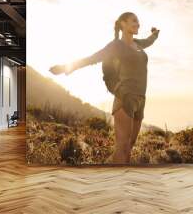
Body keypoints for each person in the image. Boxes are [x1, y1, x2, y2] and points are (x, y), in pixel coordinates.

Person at [49, 12, 159, 164]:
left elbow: (149, 41)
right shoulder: (116, 46)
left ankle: (118, 177)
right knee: (122, 148)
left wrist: (155, 34)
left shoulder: (138, 44)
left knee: (129, 147)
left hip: (141, 99)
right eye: (134, 21)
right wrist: (66, 67)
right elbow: (92, 58)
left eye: (138, 22)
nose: (138, 24)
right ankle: (117, 183)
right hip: (125, 97)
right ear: (123, 24)